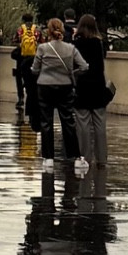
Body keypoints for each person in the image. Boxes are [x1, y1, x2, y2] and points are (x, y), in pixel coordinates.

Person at [30, 17, 86, 173]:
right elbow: (84, 66)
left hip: (45, 86)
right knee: (68, 120)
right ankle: (75, 156)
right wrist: (73, 75)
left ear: (48, 30)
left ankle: (48, 158)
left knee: (46, 122)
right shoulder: (70, 48)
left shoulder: (43, 48)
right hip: (65, 86)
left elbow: (34, 69)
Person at [71, 13, 111, 170]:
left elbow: (74, 66)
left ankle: (84, 157)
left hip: (82, 87)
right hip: (98, 87)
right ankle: (102, 158)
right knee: (100, 124)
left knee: (83, 125)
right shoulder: (98, 43)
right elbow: (100, 67)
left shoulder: (76, 44)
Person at [14, 16, 39, 115]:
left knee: (19, 77)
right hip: (34, 58)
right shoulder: (37, 29)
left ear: (23, 20)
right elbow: (42, 41)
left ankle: (20, 98)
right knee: (33, 79)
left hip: (22, 57)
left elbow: (15, 40)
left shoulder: (20, 29)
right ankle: (31, 96)